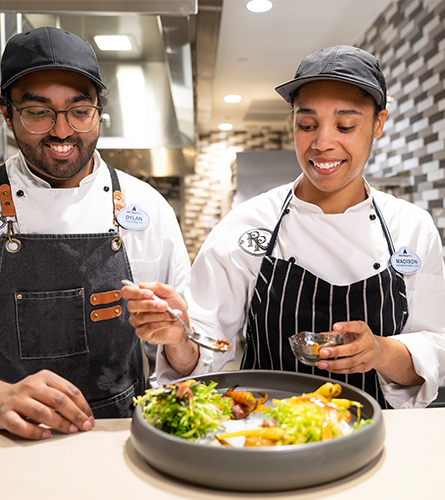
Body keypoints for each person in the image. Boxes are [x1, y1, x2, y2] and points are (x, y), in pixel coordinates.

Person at [123, 45, 445, 410]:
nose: (323, 143)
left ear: (378, 124)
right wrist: (179, 338)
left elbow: (435, 349)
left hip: (377, 439)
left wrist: (381, 351)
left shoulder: (413, 228)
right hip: (267, 438)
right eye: (307, 124)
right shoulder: (248, 224)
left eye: (345, 125)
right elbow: (203, 349)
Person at [0, 26, 190, 439]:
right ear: (7, 113)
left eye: (79, 111)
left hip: (123, 440)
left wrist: (179, 337)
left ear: (98, 110)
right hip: (1, 443)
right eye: (38, 112)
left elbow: (187, 354)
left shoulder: (146, 207)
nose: (62, 131)